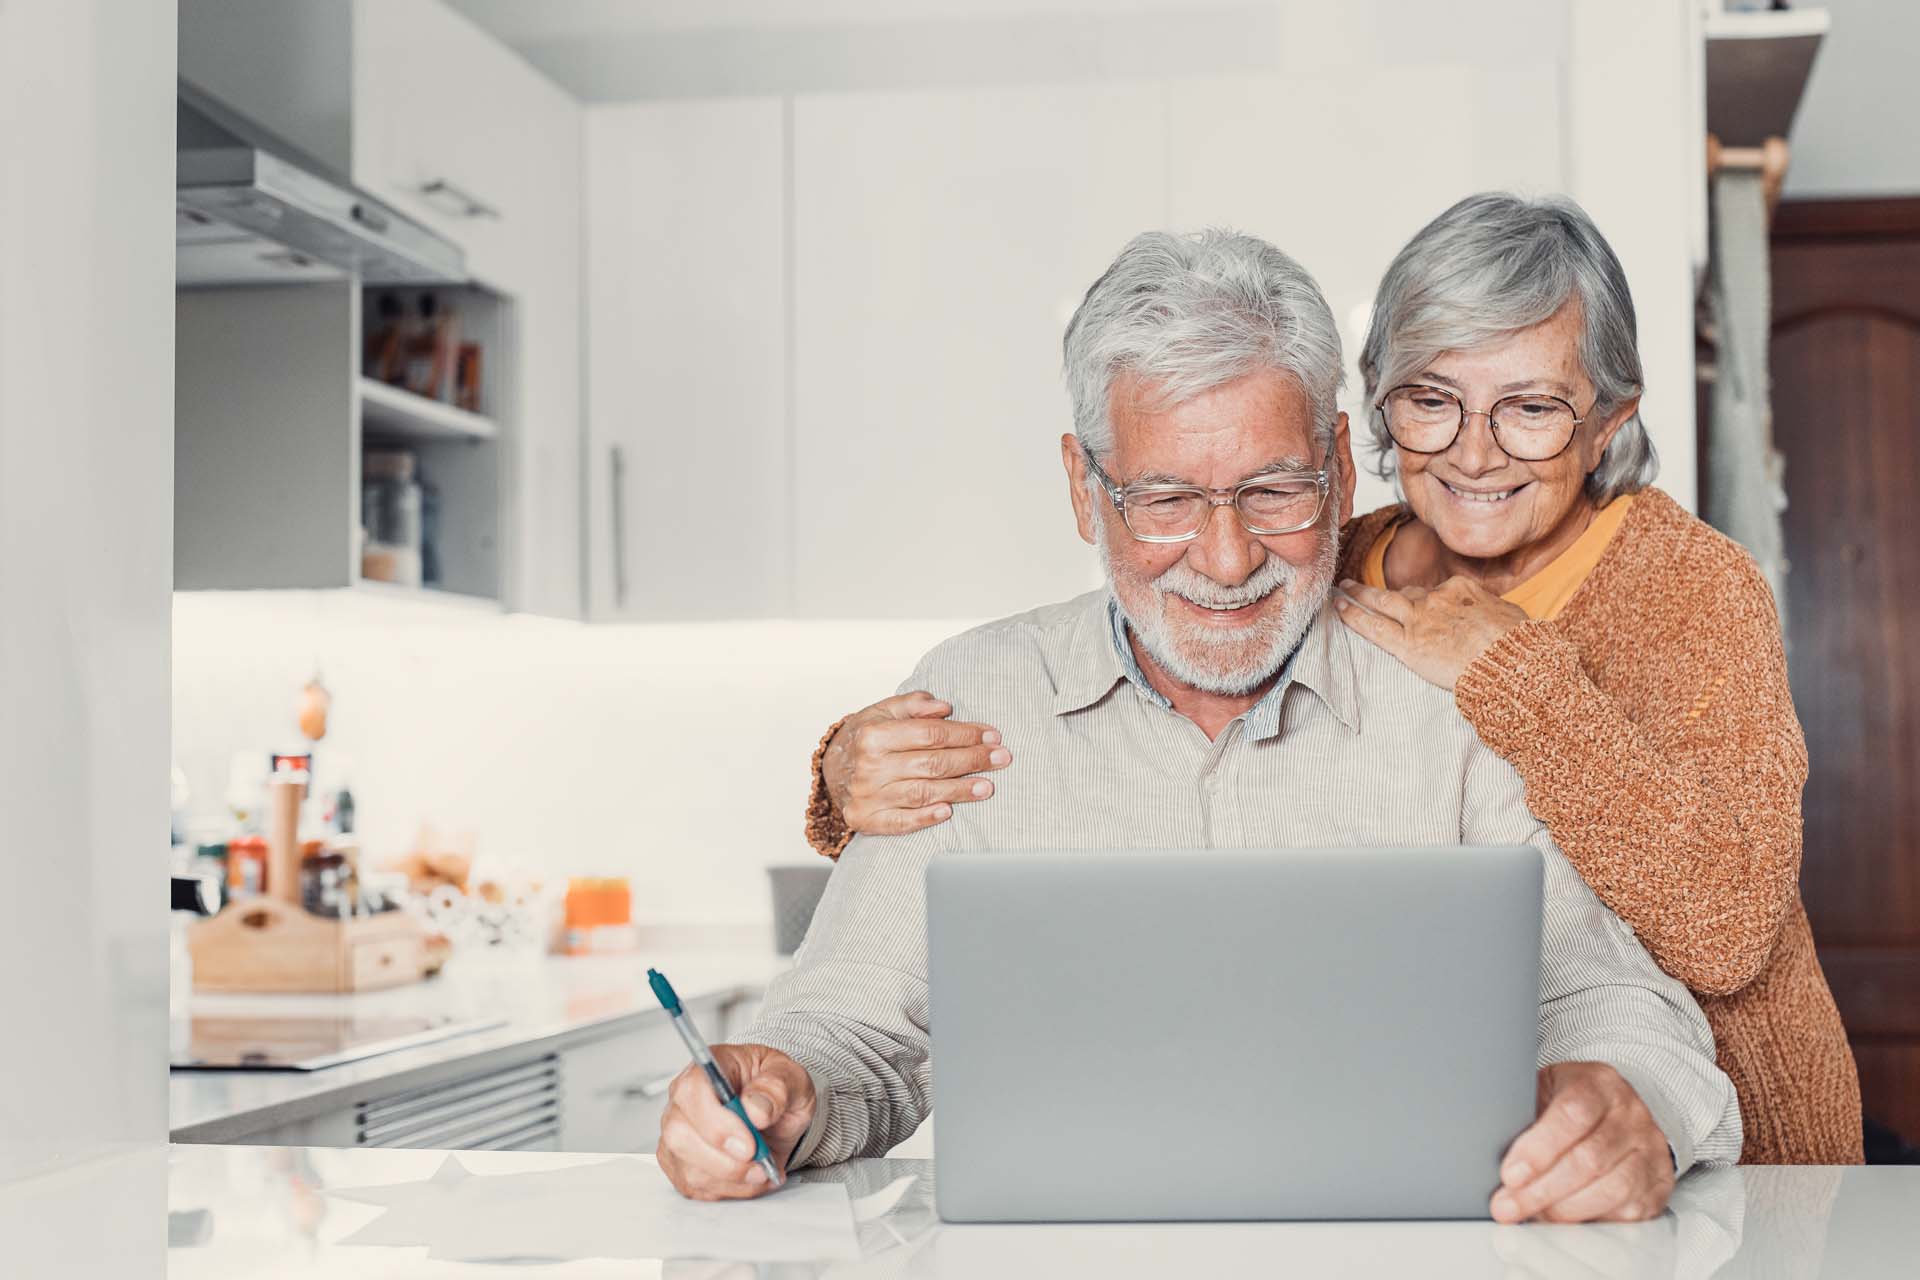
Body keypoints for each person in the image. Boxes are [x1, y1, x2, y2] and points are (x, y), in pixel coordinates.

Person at [658, 228, 1741, 1220]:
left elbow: (1619, 1004)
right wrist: (776, 1088)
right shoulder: (973, 696)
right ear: (1085, 489)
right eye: (1166, 500)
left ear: (1338, 464)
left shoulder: (1456, 691)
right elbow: (848, 1026)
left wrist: (1625, 1099)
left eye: (1275, 490)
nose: (1227, 562)